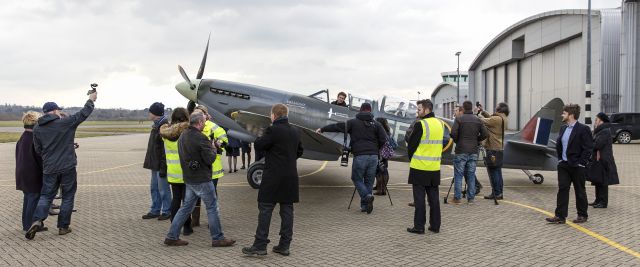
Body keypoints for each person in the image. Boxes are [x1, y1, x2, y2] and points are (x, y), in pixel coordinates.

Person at [25, 90, 97, 240]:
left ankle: (37, 220)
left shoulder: (37, 128)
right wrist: (91, 100)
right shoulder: (65, 122)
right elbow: (83, 114)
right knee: (68, 196)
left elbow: (38, 149)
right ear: (55, 111)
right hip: (67, 166)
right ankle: (63, 227)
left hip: (49, 167)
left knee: (46, 196)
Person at [163, 112, 235, 247]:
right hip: (202, 179)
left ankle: (172, 236)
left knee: (185, 208)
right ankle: (218, 238)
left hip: (189, 178)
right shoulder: (201, 138)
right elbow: (210, 159)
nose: (205, 124)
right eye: (204, 122)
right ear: (200, 123)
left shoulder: (183, 135)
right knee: (212, 207)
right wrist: (213, 148)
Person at [242, 104, 304, 256]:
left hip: (273, 177)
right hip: (290, 176)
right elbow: (300, 150)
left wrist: (261, 134)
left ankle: (260, 245)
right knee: (287, 210)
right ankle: (284, 245)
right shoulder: (295, 131)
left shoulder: (272, 129)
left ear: (274, 115)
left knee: (265, 209)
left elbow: (259, 145)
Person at [317, 102, 387, 214]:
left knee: (356, 178)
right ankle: (365, 206)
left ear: (360, 110)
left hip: (360, 156)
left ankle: (367, 196)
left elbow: (337, 127)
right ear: (370, 111)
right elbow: (384, 139)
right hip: (374, 156)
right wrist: (375, 148)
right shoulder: (377, 124)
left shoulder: (353, 122)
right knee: (369, 181)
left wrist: (323, 129)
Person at [546, 104, 593, 224]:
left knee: (579, 190)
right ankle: (560, 216)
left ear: (571, 115)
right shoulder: (563, 128)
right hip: (564, 165)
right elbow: (559, 145)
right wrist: (561, 159)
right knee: (562, 189)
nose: (562, 115)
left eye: (564, 113)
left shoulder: (583, 129)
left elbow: (588, 148)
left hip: (577, 166)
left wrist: (581, 163)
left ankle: (582, 215)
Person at [406, 99, 448, 234]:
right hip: (434, 168)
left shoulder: (421, 125)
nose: (417, 112)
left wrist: (413, 158)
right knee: (434, 199)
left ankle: (419, 226)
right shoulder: (440, 124)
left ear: (427, 109)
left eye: (419, 109)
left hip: (419, 167)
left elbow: (411, 145)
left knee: (419, 199)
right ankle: (435, 226)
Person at [160, 107, 193, 236]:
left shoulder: (165, 134)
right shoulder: (186, 133)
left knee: (176, 199)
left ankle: (174, 224)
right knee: (187, 201)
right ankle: (187, 226)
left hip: (172, 172)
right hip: (185, 171)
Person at [16, 111, 47, 233]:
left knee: (28, 198)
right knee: (33, 198)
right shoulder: (33, 138)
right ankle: (29, 225)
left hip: (23, 172)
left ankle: (28, 223)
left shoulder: (23, 137)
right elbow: (39, 158)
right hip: (32, 173)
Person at [142, 102, 172, 220]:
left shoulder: (164, 127)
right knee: (154, 188)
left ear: (155, 113)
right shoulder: (156, 125)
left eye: (150, 111)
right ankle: (155, 209)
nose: (149, 114)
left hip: (161, 164)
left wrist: (164, 167)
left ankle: (167, 211)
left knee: (163, 189)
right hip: (154, 164)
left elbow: (165, 150)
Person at [477, 102, 509, 200]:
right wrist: (482, 111)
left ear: (500, 109)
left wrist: (472, 115)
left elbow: (483, 121)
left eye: (497, 106)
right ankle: (499, 192)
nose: (496, 107)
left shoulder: (496, 119)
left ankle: (496, 193)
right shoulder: (503, 118)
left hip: (492, 148)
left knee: (493, 172)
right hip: (499, 148)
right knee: (497, 171)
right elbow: (491, 118)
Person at [588, 112, 619, 208]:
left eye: (596, 120)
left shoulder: (604, 131)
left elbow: (597, 145)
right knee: (598, 180)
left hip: (603, 160)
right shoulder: (599, 131)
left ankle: (603, 202)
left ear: (601, 121)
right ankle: (598, 200)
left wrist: (591, 143)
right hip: (598, 160)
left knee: (603, 182)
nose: (595, 122)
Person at [374, 117, 394, 195]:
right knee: (384, 170)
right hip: (385, 153)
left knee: (379, 171)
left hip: (380, 153)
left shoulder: (380, 131)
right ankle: (383, 188)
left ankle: (380, 190)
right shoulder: (387, 131)